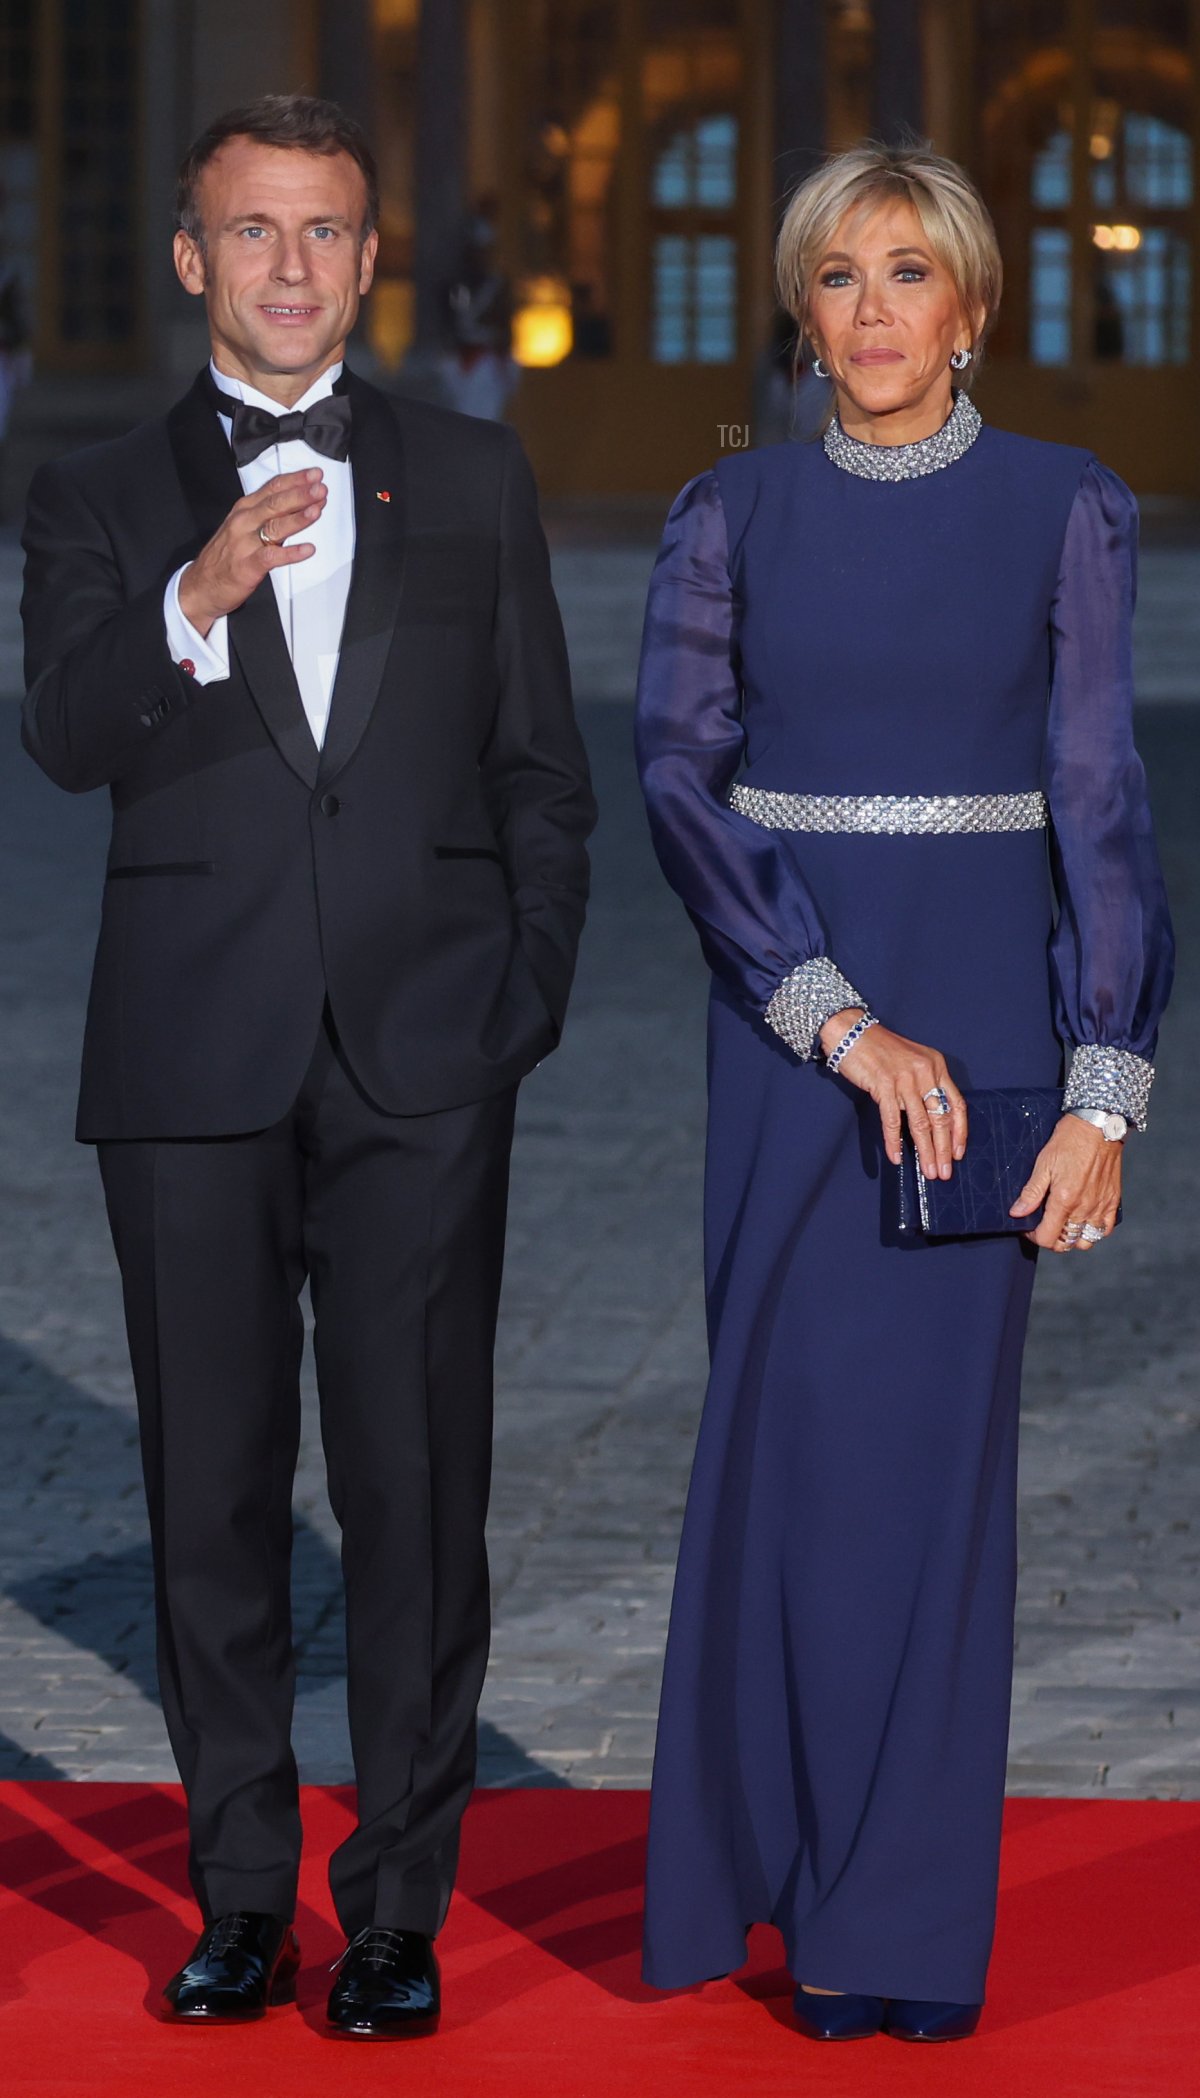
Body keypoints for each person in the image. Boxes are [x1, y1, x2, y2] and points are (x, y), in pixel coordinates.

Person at [21, 94, 594, 2038]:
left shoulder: (474, 473)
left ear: (370, 256)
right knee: (212, 1499)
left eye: (324, 230)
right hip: (188, 1054)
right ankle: (244, 1896)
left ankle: (404, 1903)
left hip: (429, 1056)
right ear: (193, 254)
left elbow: (541, 771)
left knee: (417, 1486)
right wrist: (197, 594)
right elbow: (65, 735)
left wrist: (515, 1001)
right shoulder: (96, 488)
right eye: (250, 229)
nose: (287, 263)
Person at [634, 141, 1173, 2044]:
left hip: (991, 1048)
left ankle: (893, 1923)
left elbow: (1101, 806)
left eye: (909, 275)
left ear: (969, 307)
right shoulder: (729, 512)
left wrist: (1106, 1085)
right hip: (796, 1045)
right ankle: (763, 1874)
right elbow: (683, 783)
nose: (873, 312)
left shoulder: (1067, 509)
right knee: (777, 1461)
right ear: (802, 309)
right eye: (839, 277)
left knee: (932, 1488)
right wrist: (832, 1017)